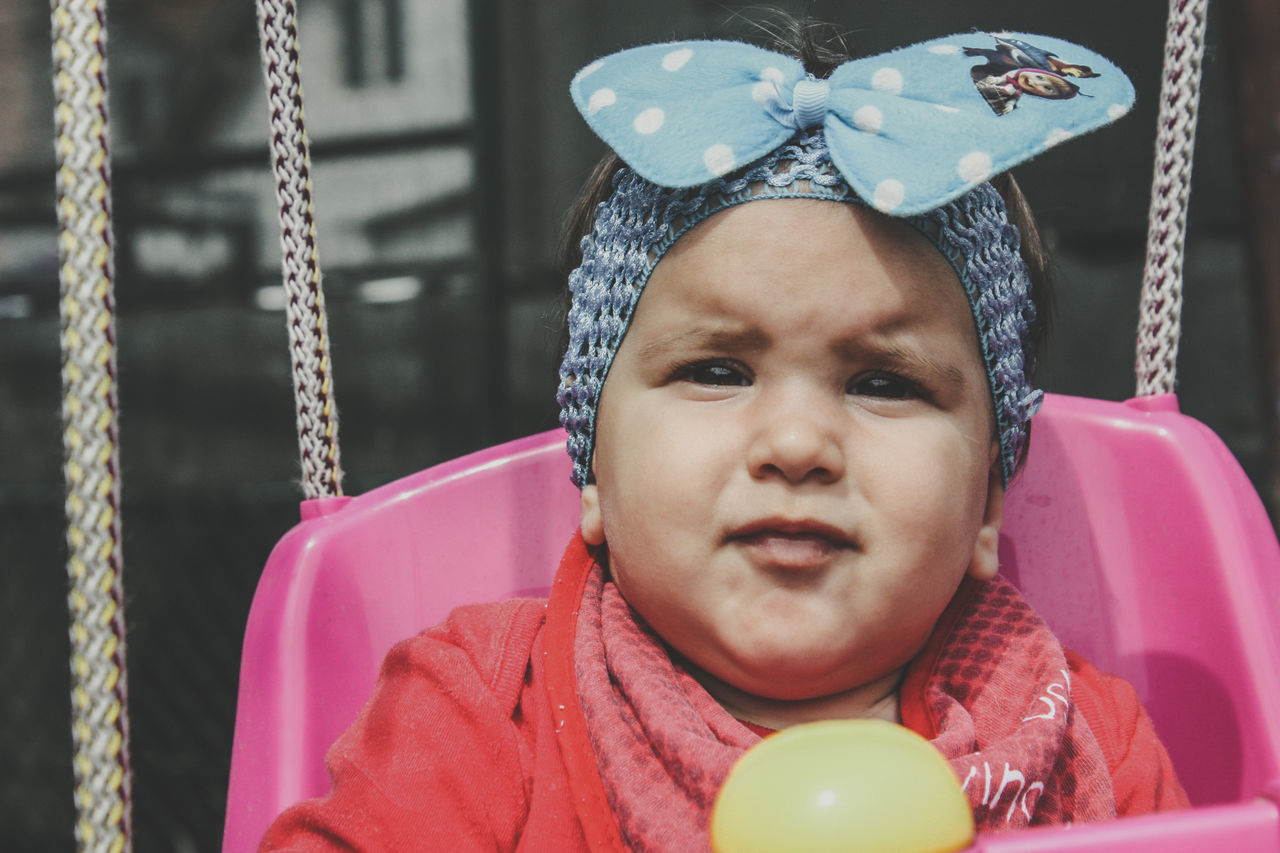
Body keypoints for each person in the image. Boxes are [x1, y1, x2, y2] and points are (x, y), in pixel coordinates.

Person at [259, 20, 1188, 852]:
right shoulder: (483, 707)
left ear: (988, 499)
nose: (795, 443)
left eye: (882, 383)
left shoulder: (1084, 739)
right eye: (715, 371)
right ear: (593, 468)